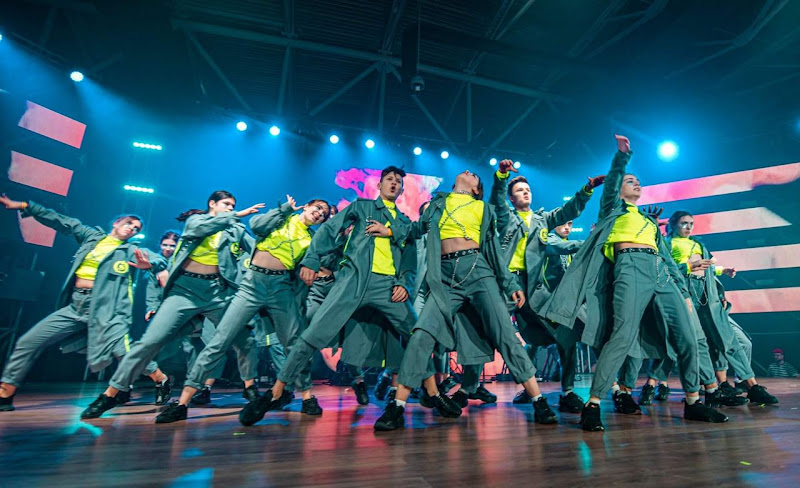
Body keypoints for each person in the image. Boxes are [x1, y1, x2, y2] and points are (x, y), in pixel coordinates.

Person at [541, 135, 728, 432]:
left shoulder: (649, 221)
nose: (636, 183)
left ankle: (693, 401)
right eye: (630, 181)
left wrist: (683, 292)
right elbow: (614, 180)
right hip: (629, 267)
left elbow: (666, 259)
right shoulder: (612, 209)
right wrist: (622, 158)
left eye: (638, 181)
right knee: (621, 336)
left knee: (688, 337)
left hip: (661, 273)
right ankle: (593, 404)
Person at [374, 170, 560, 431]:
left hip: (478, 271)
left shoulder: (482, 208)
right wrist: (389, 230)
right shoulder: (439, 203)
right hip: (444, 278)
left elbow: (493, 250)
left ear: (476, 189)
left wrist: (509, 283)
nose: (471, 173)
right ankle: (397, 407)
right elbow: (416, 229)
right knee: (421, 335)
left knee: (504, 333)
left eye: (475, 177)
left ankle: (538, 400)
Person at [238, 166, 418, 426]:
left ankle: (416, 398)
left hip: (387, 287)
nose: (393, 183)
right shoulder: (362, 207)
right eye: (389, 179)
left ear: (401, 190)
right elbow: (329, 229)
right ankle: (275, 392)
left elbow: (410, 259)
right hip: (352, 284)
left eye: (398, 181)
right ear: (379, 185)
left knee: (418, 335)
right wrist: (311, 259)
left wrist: (404, 284)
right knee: (310, 336)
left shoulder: (404, 222)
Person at [79, 190, 264, 419]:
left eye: (233, 206)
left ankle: (250, 387)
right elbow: (201, 228)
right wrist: (237, 214)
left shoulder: (235, 229)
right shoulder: (196, 220)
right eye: (226, 204)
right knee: (149, 342)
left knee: (246, 339)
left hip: (217, 293)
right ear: (212, 204)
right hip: (184, 291)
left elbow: (258, 250)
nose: (230, 208)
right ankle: (111, 394)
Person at [156, 196, 331, 423]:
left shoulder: (312, 239)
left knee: (294, 345)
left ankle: (307, 396)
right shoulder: (282, 218)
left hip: (281, 289)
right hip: (252, 285)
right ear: (306, 206)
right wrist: (284, 209)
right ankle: (182, 403)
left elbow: (314, 262)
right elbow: (257, 225)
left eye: (324, 214)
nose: (319, 213)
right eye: (318, 207)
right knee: (220, 341)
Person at [0, 194, 168, 412]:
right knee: (28, 342)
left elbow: (157, 259)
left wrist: (157, 267)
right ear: (116, 223)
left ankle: (161, 378)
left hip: (107, 311)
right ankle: (6, 393)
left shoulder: (130, 251)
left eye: (136, 228)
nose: (132, 229)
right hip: (75, 306)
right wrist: (24, 205)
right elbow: (60, 220)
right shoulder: (91, 237)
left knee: (125, 354)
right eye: (129, 223)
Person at [486, 159, 601, 413]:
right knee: (486, 331)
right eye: (519, 190)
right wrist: (502, 176)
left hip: (534, 289)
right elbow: (496, 200)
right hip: (505, 284)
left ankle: (567, 391)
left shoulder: (543, 220)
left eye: (528, 189)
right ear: (512, 199)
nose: (525, 192)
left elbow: (568, 211)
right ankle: (469, 387)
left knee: (565, 334)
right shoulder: (506, 216)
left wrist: (586, 190)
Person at [631, 211, 777, 406]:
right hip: (684, 292)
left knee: (726, 338)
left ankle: (751, 386)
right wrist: (689, 266)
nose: (689, 227)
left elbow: (708, 268)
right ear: (673, 225)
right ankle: (657, 384)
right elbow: (665, 269)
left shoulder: (698, 244)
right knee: (681, 343)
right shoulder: (668, 244)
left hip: (706, 294)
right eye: (684, 223)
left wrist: (723, 271)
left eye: (691, 223)